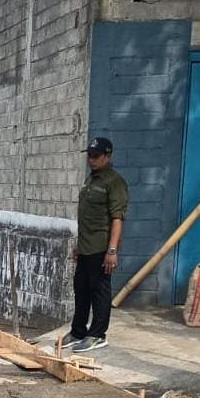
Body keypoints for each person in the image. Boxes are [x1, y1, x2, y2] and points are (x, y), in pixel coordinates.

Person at [63, 137, 129, 353]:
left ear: (107, 156)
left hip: (101, 248)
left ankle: (97, 334)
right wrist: (79, 246)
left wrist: (112, 250)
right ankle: (78, 331)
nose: (91, 159)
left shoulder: (114, 182)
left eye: (96, 156)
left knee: (99, 291)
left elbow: (117, 218)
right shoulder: (91, 180)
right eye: (89, 155)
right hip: (86, 247)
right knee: (81, 289)